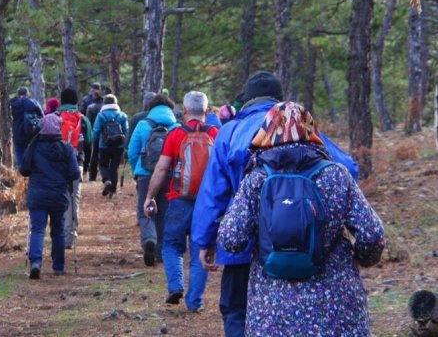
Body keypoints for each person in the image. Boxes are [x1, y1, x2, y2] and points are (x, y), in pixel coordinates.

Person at [192, 71, 360, 337]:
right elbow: (348, 167)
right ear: (279, 98)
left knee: (235, 310)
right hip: (297, 240)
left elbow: (214, 193)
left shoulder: (229, 132)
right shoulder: (299, 126)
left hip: (241, 242)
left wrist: (205, 240)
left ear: (246, 100)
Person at [218, 101, 384, 336]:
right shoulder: (336, 175)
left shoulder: (256, 180)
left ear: (267, 131)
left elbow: (231, 238)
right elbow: (372, 235)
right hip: (336, 311)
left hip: (272, 312)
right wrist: (361, 259)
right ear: (311, 130)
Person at [144, 91, 217, 312]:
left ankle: (175, 286)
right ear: (207, 111)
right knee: (200, 250)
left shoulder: (176, 134)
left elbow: (162, 167)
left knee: (172, 246)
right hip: (206, 204)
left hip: (178, 200)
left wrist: (150, 196)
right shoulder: (216, 133)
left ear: (184, 111)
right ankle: (194, 302)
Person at [20, 113, 81, 279]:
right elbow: (75, 173)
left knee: (37, 229)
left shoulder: (34, 147)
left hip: (38, 195)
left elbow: (24, 170)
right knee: (58, 230)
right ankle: (59, 266)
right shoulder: (66, 148)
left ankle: (35, 263)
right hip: (58, 195)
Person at [127, 94, 178, 267]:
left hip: (146, 174)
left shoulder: (143, 125)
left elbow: (132, 152)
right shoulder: (176, 127)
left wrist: (137, 171)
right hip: (169, 174)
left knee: (145, 210)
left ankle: (149, 239)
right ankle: (160, 251)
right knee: (164, 212)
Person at [56, 88, 93, 249]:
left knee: (61, 198)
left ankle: (62, 233)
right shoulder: (83, 120)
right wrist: (87, 165)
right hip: (77, 162)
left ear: (61, 101)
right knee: (74, 198)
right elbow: (90, 142)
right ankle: (71, 234)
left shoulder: (55, 118)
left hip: (58, 165)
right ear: (76, 101)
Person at [93, 94, 129, 198]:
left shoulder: (101, 115)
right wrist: (126, 145)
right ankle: (113, 191)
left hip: (104, 145)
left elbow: (96, 131)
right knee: (114, 168)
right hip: (119, 145)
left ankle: (106, 180)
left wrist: (94, 141)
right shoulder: (122, 115)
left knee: (103, 165)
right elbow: (126, 131)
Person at [10, 87, 44, 167]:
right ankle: (29, 169)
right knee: (28, 150)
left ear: (18, 94)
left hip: (16, 131)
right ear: (27, 93)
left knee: (18, 151)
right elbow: (41, 116)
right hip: (29, 131)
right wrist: (35, 125)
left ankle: (21, 169)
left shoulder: (12, 104)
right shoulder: (32, 103)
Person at [85, 92, 104, 182]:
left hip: (94, 132)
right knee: (104, 155)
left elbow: (88, 121)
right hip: (105, 134)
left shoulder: (90, 107)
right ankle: (105, 174)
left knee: (94, 155)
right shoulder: (104, 108)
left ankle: (92, 176)